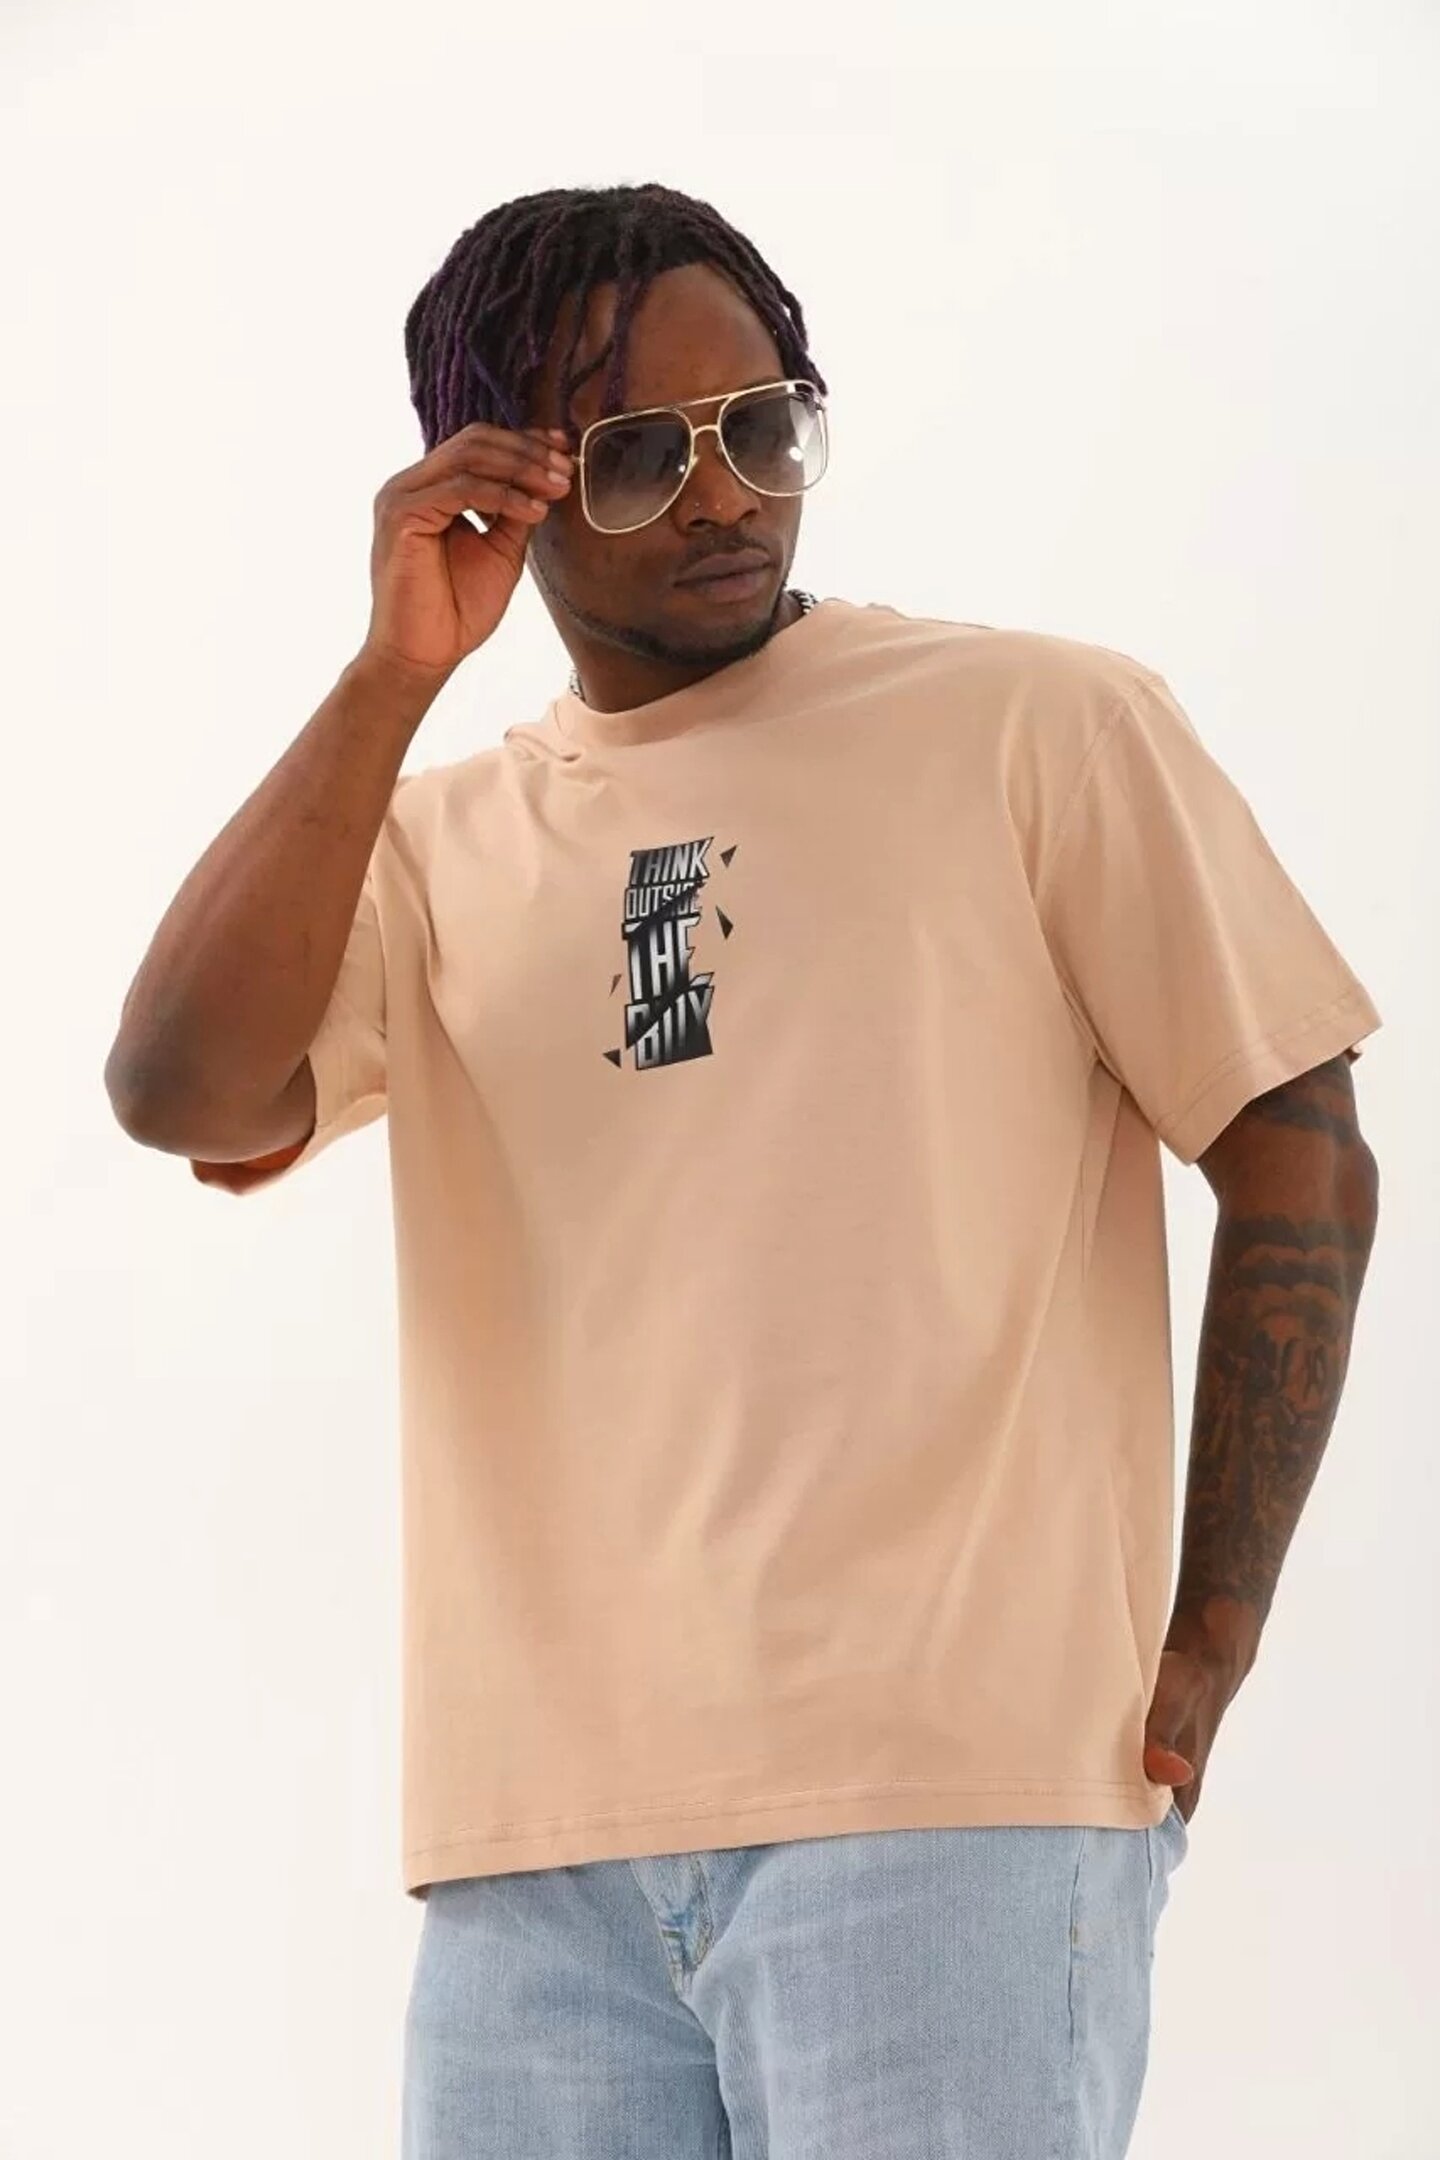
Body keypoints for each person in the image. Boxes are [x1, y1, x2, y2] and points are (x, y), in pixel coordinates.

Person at [104, 182, 1382, 2158]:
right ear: (501, 491)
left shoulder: (1035, 726)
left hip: (947, 1797)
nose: (724, 498)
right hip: (538, 1856)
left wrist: (1215, 1632)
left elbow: (1298, 1147)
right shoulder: (434, 847)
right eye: (638, 453)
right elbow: (179, 1088)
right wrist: (387, 679)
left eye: (763, 428)